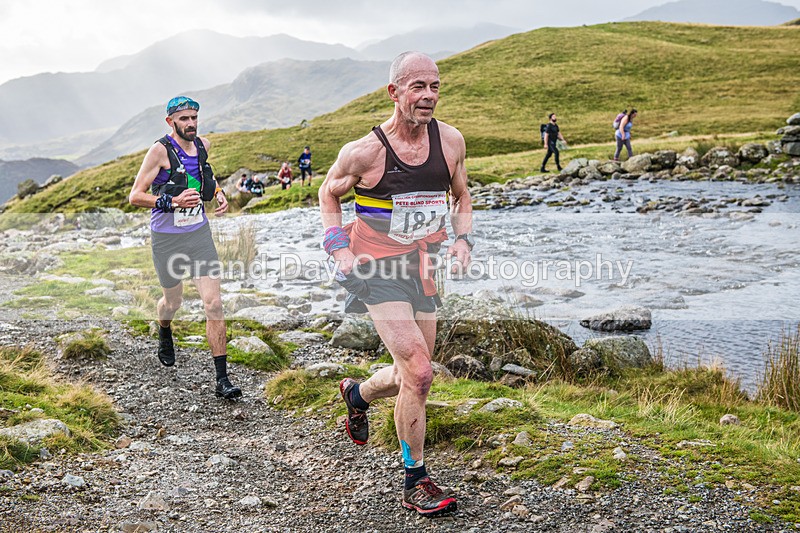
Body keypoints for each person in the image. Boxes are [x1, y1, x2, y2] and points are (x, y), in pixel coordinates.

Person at [319, 51, 473, 517]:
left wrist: (463, 239)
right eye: (417, 87)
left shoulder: (450, 142)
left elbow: (462, 193)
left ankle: (357, 394)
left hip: (422, 264)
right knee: (421, 371)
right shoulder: (363, 152)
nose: (428, 96)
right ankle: (415, 479)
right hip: (375, 267)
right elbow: (328, 193)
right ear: (395, 92)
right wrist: (337, 246)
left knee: (415, 374)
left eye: (435, 86)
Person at [128, 95, 241, 400]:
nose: (190, 124)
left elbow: (204, 172)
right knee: (172, 302)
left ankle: (222, 380)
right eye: (184, 119)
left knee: (213, 304)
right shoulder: (159, 151)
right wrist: (172, 201)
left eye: (194, 118)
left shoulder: (203, 144)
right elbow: (135, 196)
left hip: (198, 234)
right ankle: (164, 329)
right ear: (170, 121)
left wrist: (217, 192)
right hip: (166, 238)